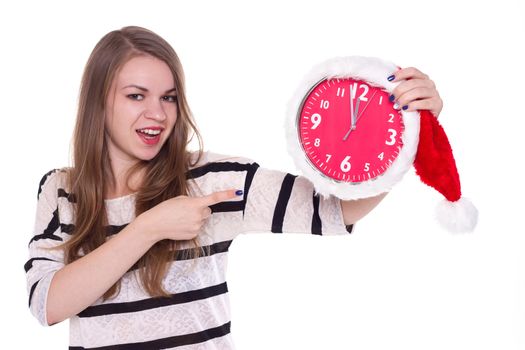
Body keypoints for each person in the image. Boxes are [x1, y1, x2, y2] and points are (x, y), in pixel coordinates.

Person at [25, 26, 443, 349]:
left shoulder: (213, 179)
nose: (157, 113)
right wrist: (149, 227)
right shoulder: (62, 191)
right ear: (99, 101)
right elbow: (47, 305)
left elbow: (332, 211)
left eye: (169, 98)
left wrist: (410, 131)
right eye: (137, 96)